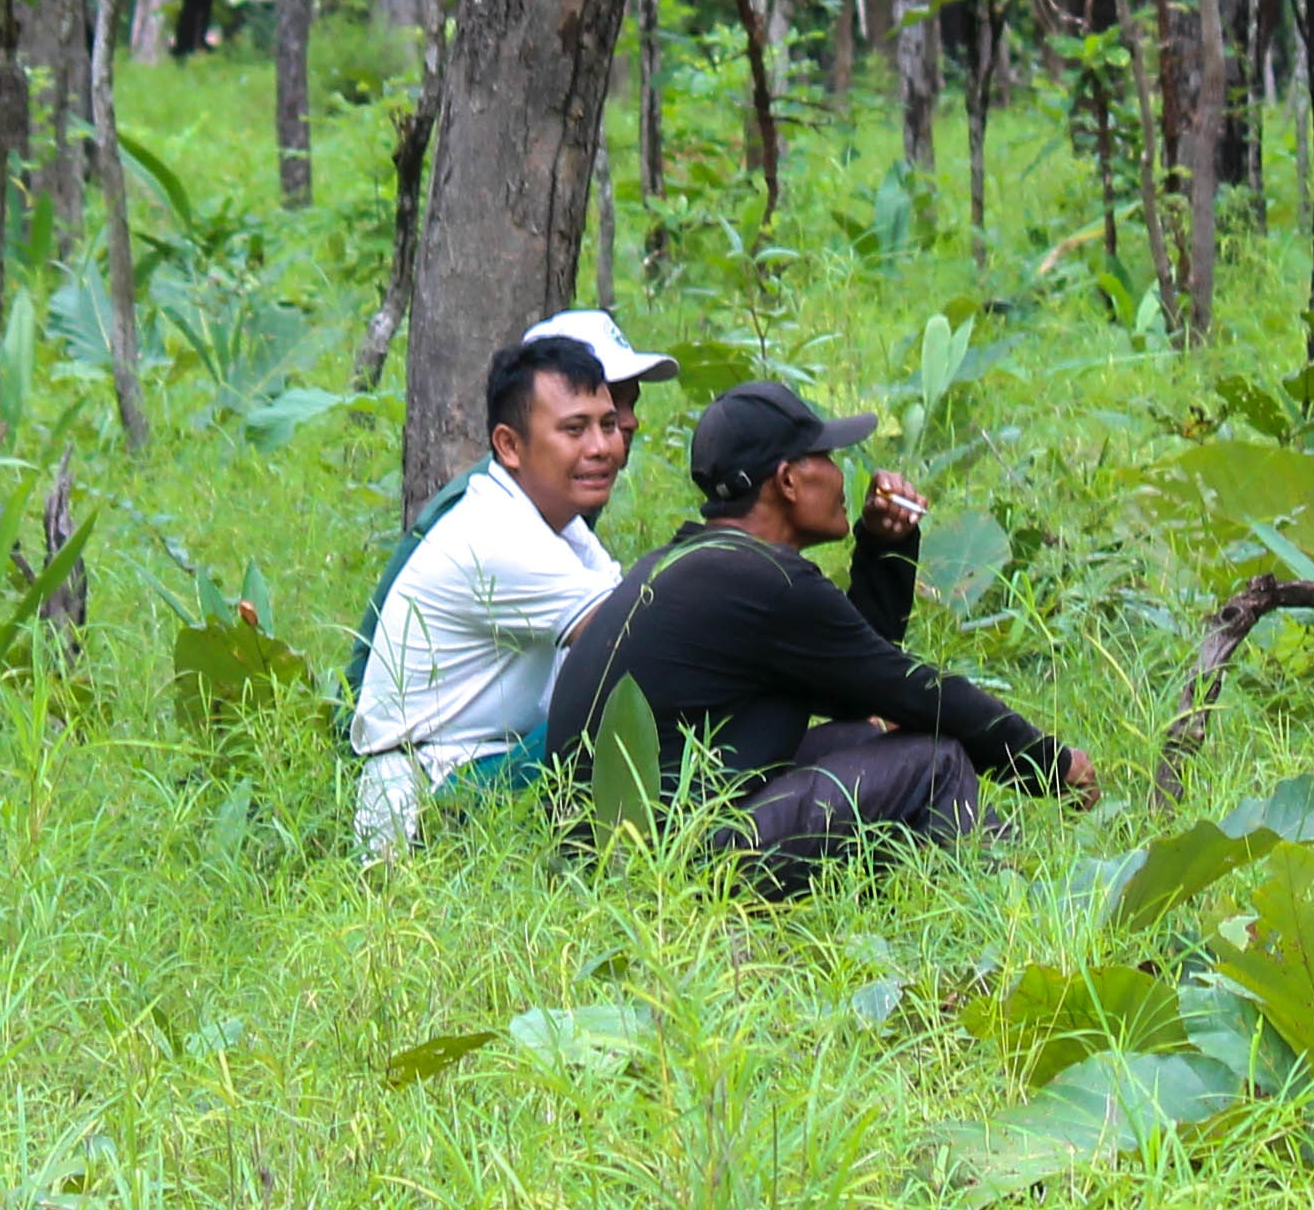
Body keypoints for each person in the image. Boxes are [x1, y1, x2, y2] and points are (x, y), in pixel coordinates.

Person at [542, 377, 1095, 896]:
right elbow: (914, 690)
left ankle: (925, 895)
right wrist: (1050, 764)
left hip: (609, 858)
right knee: (935, 761)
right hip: (664, 867)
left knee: (866, 737)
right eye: (825, 457)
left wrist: (884, 547)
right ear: (787, 480)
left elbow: (859, 684)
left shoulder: (695, 563)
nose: (839, 474)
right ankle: (1021, 903)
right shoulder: (768, 581)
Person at [344, 311, 676, 858]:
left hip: (486, 756)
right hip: (435, 788)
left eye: (609, 422)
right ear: (510, 444)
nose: (607, 443)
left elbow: (634, 610)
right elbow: (637, 639)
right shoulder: (498, 535)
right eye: (575, 428)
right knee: (638, 707)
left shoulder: (556, 522)